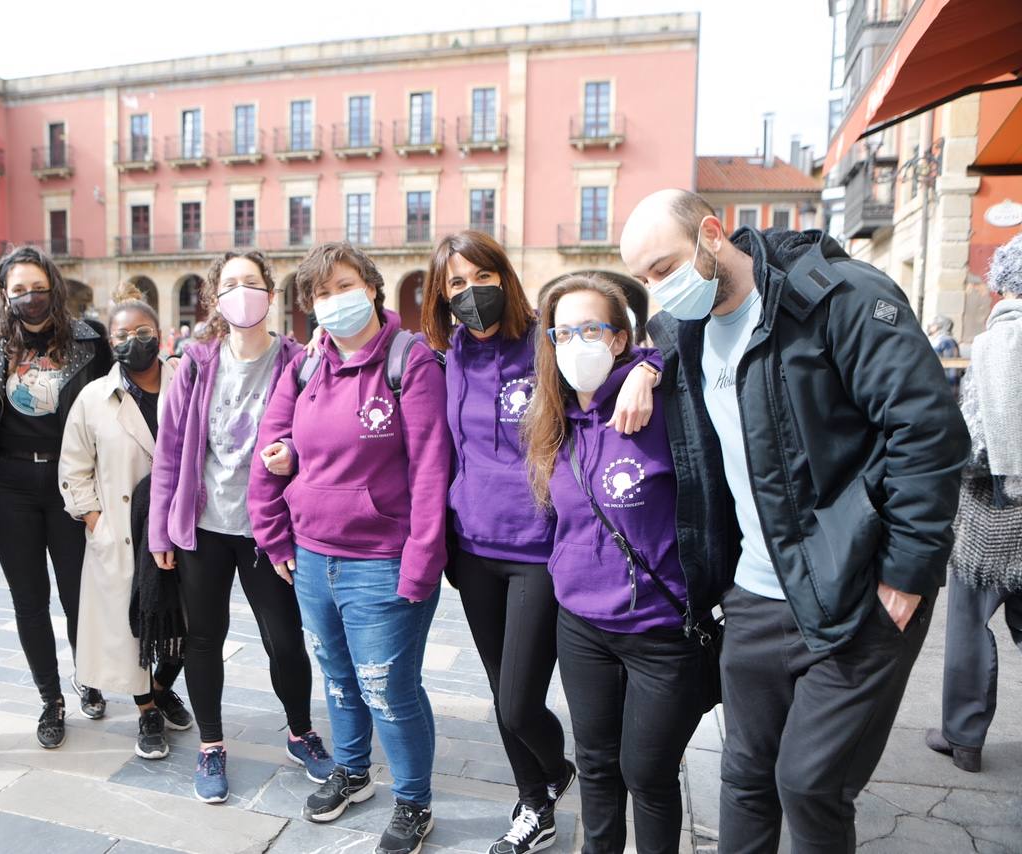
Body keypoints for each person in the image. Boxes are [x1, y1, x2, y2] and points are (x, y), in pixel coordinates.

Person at [621, 189, 970, 853]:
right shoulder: (681, 332)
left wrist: (908, 572)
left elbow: (928, 431)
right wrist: (643, 368)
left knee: (809, 786)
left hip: (858, 590)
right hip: (753, 598)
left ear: (713, 234)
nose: (657, 290)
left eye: (663, 269)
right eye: (642, 280)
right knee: (745, 777)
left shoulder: (839, 296)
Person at [421, 232, 660, 854]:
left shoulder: (543, 344)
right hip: (473, 551)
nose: (469, 293)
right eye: (454, 284)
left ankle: (553, 771)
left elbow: (621, 353)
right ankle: (536, 800)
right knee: (504, 692)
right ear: (441, 297)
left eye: (481, 276)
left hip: (540, 549)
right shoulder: (446, 358)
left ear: (504, 276)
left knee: (518, 703)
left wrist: (651, 369)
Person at [248, 242, 451, 854]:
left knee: (388, 687)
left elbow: (430, 471)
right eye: (320, 293)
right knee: (337, 679)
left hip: (383, 561)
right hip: (312, 556)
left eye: (343, 286)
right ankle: (354, 771)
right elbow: (270, 442)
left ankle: (414, 801)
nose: (333, 302)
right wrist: (271, 530)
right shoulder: (307, 365)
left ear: (370, 286)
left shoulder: (409, 361)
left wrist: (420, 562)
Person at [521, 274, 717, 854]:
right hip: (582, 627)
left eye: (592, 328)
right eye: (563, 332)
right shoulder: (553, 422)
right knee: (598, 767)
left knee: (649, 775)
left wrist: (652, 366)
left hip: (661, 631)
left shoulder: (661, 404)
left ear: (618, 338)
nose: (576, 342)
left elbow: (697, 336)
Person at [149, 250, 330, 804]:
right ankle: (210, 744)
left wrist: (292, 452)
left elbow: (317, 431)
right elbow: (170, 452)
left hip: (267, 530)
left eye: (252, 283)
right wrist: (162, 531)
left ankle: (300, 733)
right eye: (230, 284)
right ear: (215, 299)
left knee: (284, 639)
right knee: (204, 638)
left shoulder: (297, 361)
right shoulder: (197, 362)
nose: (242, 292)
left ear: (270, 296)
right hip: (204, 528)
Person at [0, 245, 113, 749]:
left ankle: (87, 676)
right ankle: (50, 699)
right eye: (20, 289)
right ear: (5, 293)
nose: (31, 298)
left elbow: (121, 399)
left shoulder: (89, 339)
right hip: (5, 486)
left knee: (78, 594)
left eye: (39, 287)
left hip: (70, 484)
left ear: (55, 286)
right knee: (29, 599)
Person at [59, 285, 193, 763]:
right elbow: (73, 467)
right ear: (109, 340)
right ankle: (146, 710)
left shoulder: (188, 381)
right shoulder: (95, 397)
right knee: (130, 629)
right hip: (121, 534)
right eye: (122, 333)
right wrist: (95, 520)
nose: (132, 340)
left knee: (186, 624)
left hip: (183, 531)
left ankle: (162, 686)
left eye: (142, 332)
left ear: (159, 334)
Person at [927, 233, 1022, 773]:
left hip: (994, 509)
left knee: (969, 625)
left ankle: (963, 737)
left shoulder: (999, 339)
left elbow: (984, 439)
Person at [926, 315, 962, 393]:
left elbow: (950, 370)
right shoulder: (939, 340)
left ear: (938, 326)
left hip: (943, 389)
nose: (929, 327)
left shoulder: (946, 341)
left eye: (932, 325)